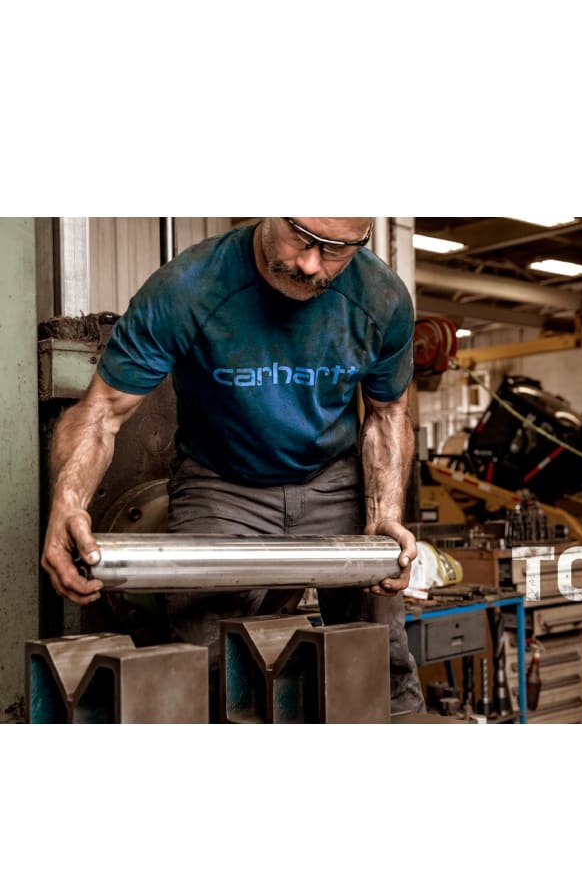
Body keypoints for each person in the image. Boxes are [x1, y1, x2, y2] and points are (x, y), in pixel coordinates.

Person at [41, 217, 426, 719]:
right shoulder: (188, 287)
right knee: (206, 661)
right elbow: (101, 412)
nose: (312, 264)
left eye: (336, 250)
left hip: (333, 479)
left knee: (379, 651)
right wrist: (67, 504)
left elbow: (387, 414)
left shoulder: (381, 297)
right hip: (221, 483)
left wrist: (385, 514)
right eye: (301, 238)